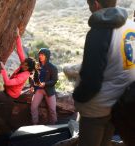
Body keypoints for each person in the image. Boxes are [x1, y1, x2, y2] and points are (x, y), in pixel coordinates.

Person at [72, 0, 135, 146]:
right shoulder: (131, 25)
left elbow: (91, 81)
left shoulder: (99, 32)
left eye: (89, 4)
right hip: (121, 101)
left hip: (97, 107)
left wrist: (77, 98)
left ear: (96, 4)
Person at [0, 28, 36, 127]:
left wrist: (3, 70)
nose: (22, 63)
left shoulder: (24, 76)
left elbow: (8, 83)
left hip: (8, 97)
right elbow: (20, 51)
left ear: (28, 67)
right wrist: (17, 36)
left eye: (24, 63)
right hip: (6, 92)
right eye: (23, 62)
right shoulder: (24, 65)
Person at [30, 48, 58, 125]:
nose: (40, 56)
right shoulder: (37, 66)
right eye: (39, 55)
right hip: (38, 90)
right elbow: (32, 77)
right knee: (33, 107)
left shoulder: (53, 68)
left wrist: (45, 84)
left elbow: (54, 80)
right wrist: (32, 86)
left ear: (47, 56)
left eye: (42, 55)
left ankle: (53, 126)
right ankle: (35, 124)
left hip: (49, 91)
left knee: (52, 110)